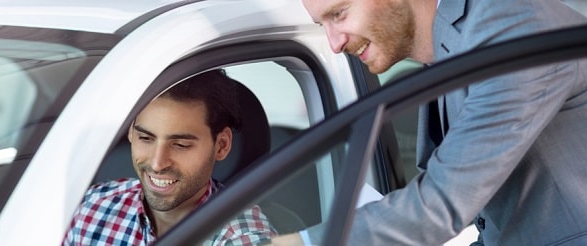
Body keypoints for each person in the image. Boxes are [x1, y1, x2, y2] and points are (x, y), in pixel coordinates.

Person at [269, 0, 587, 245]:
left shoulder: (509, 26)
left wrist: (301, 243)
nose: (334, 43)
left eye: (339, 14)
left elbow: (444, 202)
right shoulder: (455, 42)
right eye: (321, 23)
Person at [63, 69, 276, 245]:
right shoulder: (92, 205)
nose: (157, 163)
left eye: (180, 145)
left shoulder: (242, 238)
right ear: (130, 132)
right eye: (146, 138)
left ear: (221, 145)